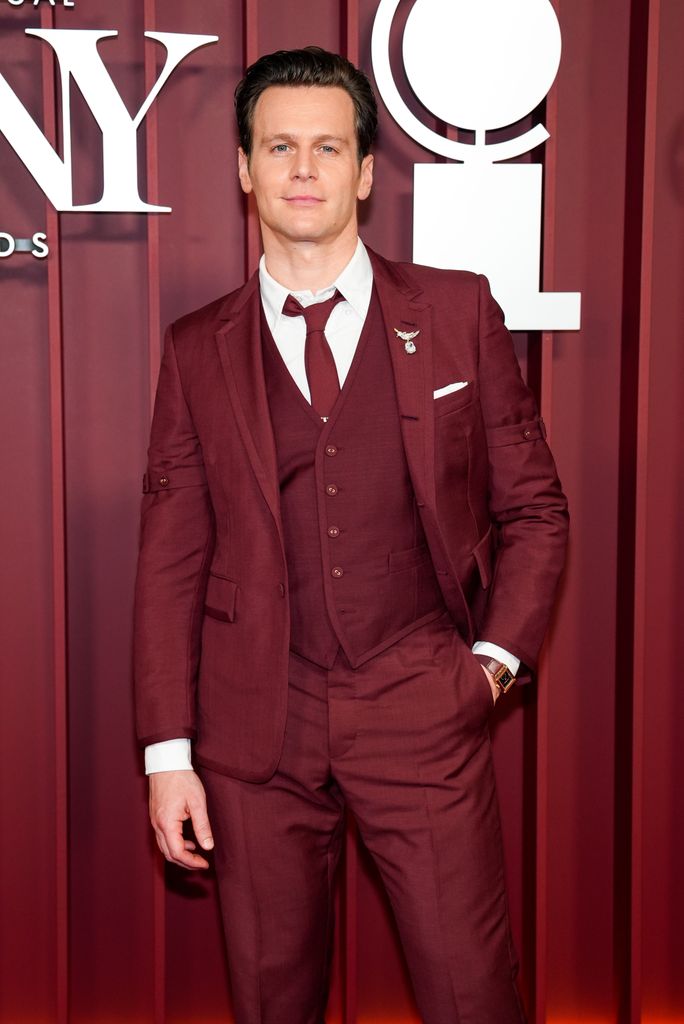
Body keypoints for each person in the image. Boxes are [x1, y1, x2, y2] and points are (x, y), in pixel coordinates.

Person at [134, 46, 568, 1024]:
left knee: (474, 998)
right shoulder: (196, 348)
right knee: (272, 1002)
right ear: (243, 167)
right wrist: (168, 756)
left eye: (328, 147)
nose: (302, 168)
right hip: (258, 725)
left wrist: (488, 667)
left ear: (365, 173)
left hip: (422, 700)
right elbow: (168, 562)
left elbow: (536, 509)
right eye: (278, 145)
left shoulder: (456, 315)